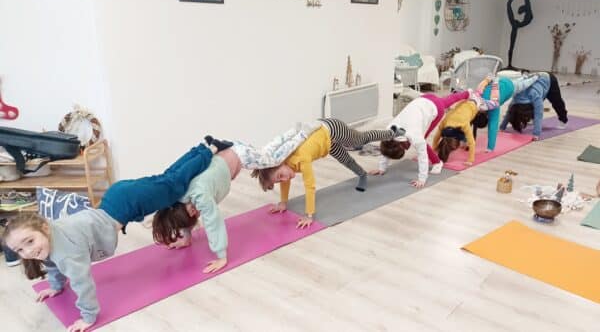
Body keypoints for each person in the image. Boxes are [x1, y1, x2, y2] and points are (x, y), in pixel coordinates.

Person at [0, 140, 225, 331]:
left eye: (29, 242)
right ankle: (202, 147)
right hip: (117, 198)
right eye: (20, 250)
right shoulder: (50, 237)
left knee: (174, 184)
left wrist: (87, 318)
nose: (28, 251)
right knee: (167, 179)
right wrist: (56, 287)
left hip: (127, 203)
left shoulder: (66, 251)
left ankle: (210, 150)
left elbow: (82, 283)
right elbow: (52, 264)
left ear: (44, 229)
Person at [152, 124, 320, 273]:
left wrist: (221, 256)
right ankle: (293, 131)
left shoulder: (200, 196)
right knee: (266, 154)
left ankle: (302, 134)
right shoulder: (179, 198)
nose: (196, 212)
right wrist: (186, 238)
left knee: (273, 159)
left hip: (240, 155)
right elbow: (182, 217)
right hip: (231, 153)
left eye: (193, 212)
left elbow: (214, 222)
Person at [251, 118, 400, 228]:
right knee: (345, 160)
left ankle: (391, 132)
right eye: (279, 180)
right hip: (326, 143)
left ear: (280, 163)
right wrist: (283, 202)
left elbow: (310, 186)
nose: (284, 179)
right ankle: (362, 175)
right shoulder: (284, 163)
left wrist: (309, 215)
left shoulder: (302, 158)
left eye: (280, 176)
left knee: (360, 140)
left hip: (332, 129)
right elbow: (285, 180)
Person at [370, 92, 470, 188]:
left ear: (402, 145)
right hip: (424, 99)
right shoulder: (389, 130)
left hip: (435, 109)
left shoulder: (415, 135)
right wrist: (381, 168)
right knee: (448, 100)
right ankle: (467, 93)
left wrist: (422, 179)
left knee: (422, 143)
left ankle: (438, 163)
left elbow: (422, 156)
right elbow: (387, 147)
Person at [500, 72, 568, 140]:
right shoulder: (516, 98)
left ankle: (563, 120)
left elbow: (539, 114)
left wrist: (536, 134)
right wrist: (502, 128)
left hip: (548, 79)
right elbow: (509, 113)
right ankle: (530, 118)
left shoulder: (534, 95)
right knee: (535, 104)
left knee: (557, 102)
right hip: (537, 84)